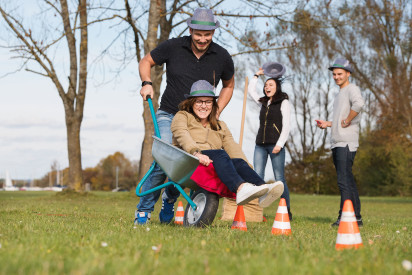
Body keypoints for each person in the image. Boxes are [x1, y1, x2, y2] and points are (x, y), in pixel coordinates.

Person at [135, 8, 235, 225]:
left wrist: (216, 111)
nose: (202, 39)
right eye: (198, 33)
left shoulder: (222, 57)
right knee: (164, 159)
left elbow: (229, 85)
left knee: (186, 165)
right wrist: (146, 83)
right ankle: (143, 211)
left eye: (207, 34)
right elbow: (146, 62)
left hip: (198, 122)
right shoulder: (173, 47)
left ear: (213, 33)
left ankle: (170, 200)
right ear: (190, 29)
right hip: (169, 113)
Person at [167, 80, 284, 207]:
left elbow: (232, 147)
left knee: (238, 162)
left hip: (212, 163)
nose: (204, 106)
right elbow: (182, 134)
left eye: (208, 102)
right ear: (191, 103)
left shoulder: (220, 125)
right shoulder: (182, 116)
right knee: (220, 154)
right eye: (199, 101)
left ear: (213, 104)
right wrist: (196, 152)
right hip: (188, 159)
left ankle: (263, 189)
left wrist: (247, 169)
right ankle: (240, 188)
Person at [316, 57, 365, 227]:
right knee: (348, 180)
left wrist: (348, 120)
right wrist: (328, 124)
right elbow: (340, 119)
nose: (336, 77)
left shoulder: (352, 89)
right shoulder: (339, 95)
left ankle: (344, 217)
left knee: (343, 181)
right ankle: (356, 217)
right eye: (334, 74)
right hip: (337, 142)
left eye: (340, 74)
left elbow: (359, 104)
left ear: (348, 74)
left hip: (346, 143)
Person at [247, 62, 292, 220]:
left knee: (279, 178)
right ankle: (256, 211)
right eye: (266, 85)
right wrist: (256, 76)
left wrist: (280, 144)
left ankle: (286, 211)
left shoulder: (284, 102)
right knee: (257, 176)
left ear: (277, 87)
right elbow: (251, 90)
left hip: (275, 145)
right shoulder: (263, 102)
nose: (267, 87)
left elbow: (286, 125)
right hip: (260, 144)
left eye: (270, 85)